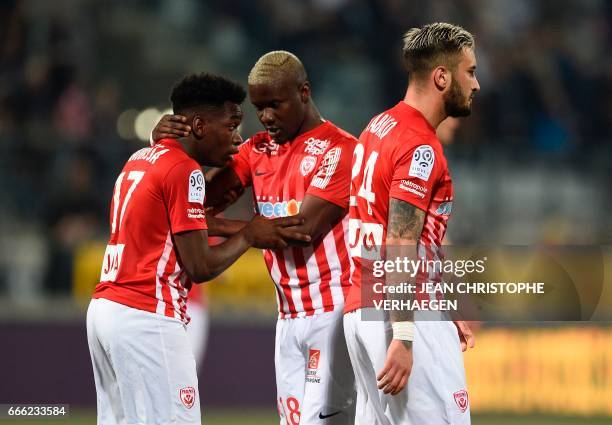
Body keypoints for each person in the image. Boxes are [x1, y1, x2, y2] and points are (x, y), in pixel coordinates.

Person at [86, 73, 310, 425]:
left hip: (104, 311)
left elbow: (177, 227)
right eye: (232, 125)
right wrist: (249, 236)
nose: (237, 139)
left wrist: (253, 230)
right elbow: (200, 266)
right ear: (200, 125)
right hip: (148, 315)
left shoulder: (140, 159)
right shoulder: (185, 172)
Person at [153, 51, 357, 424]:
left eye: (274, 105)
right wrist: (174, 146)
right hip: (287, 319)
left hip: (334, 313)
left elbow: (301, 229)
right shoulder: (257, 149)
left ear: (304, 92)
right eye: (259, 108)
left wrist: (246, 229)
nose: (265, 117)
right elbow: (194, 204)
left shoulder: (340, 149)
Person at [342, 23, 479, 425]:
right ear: (442, 76)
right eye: (469, 71)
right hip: (403, 313)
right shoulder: (419, 145)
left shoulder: (377, 127)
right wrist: (404, 335)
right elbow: (400, 239)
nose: (476, 83)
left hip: (363, 306)